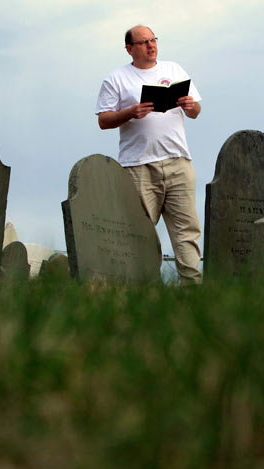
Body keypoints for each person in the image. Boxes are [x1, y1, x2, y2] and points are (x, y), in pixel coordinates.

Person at [95, 25, 202, 285]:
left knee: (187, 232)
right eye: (143, 42)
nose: (151, 45)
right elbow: (104, 120)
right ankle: (144, 293)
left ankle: (194, 293)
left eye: (153, 40)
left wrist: (190, 106)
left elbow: (196, 110)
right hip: (138, 166)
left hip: (178, 162)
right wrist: (130, 112)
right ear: (130, 49)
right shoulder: (117, 78)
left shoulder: (174, 69)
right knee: (139, 234)